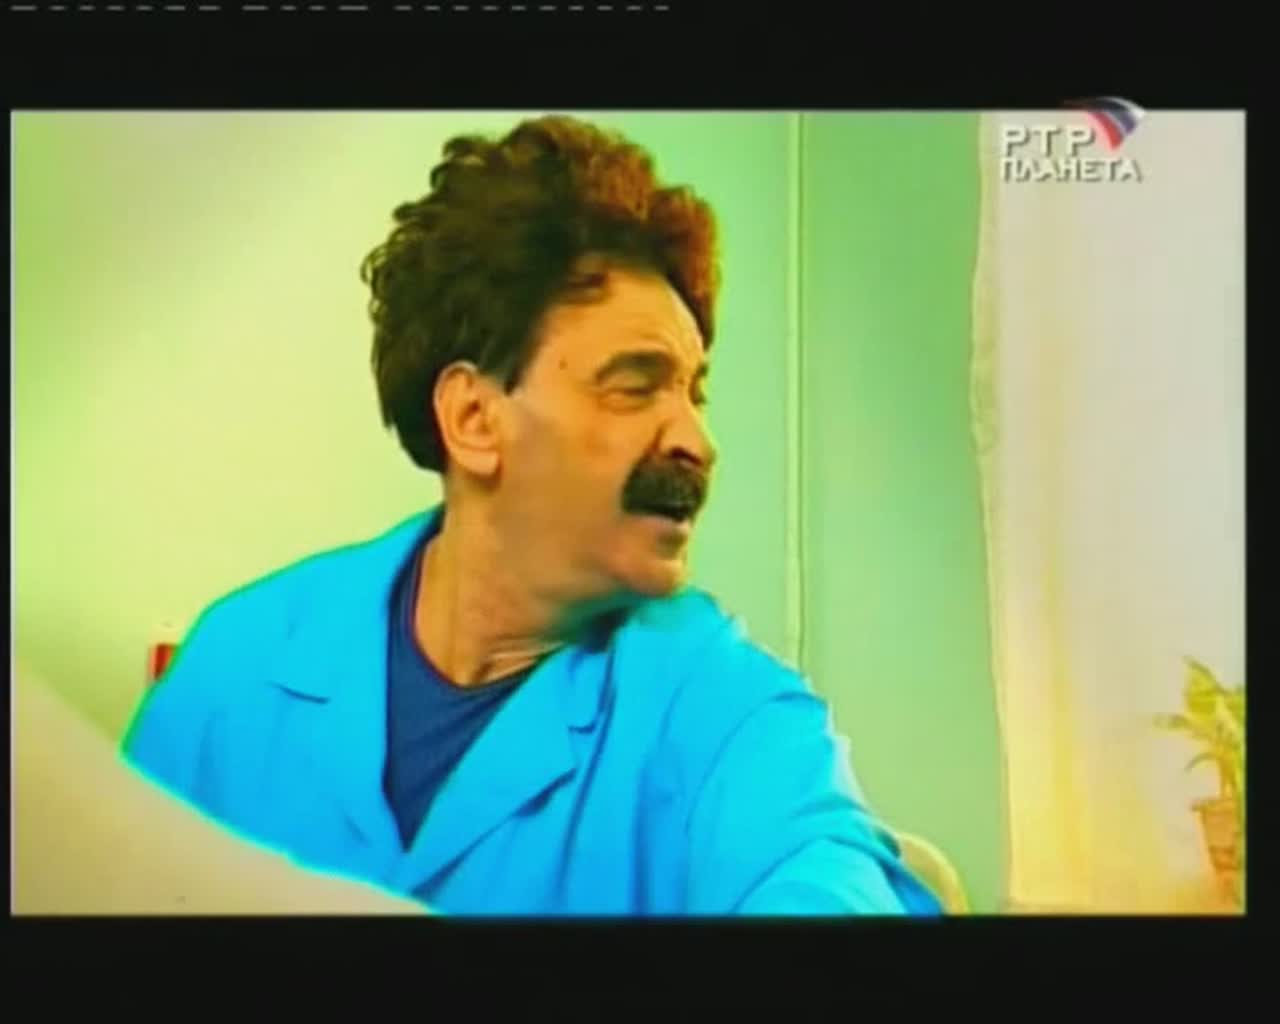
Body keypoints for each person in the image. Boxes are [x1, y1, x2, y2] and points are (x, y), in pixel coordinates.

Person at [122, 114, 942, 916]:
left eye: (695, 393)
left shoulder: (728, 716)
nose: (698, 441)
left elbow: (825, 873)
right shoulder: (239, 667)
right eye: (636, 386)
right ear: (474, 420)